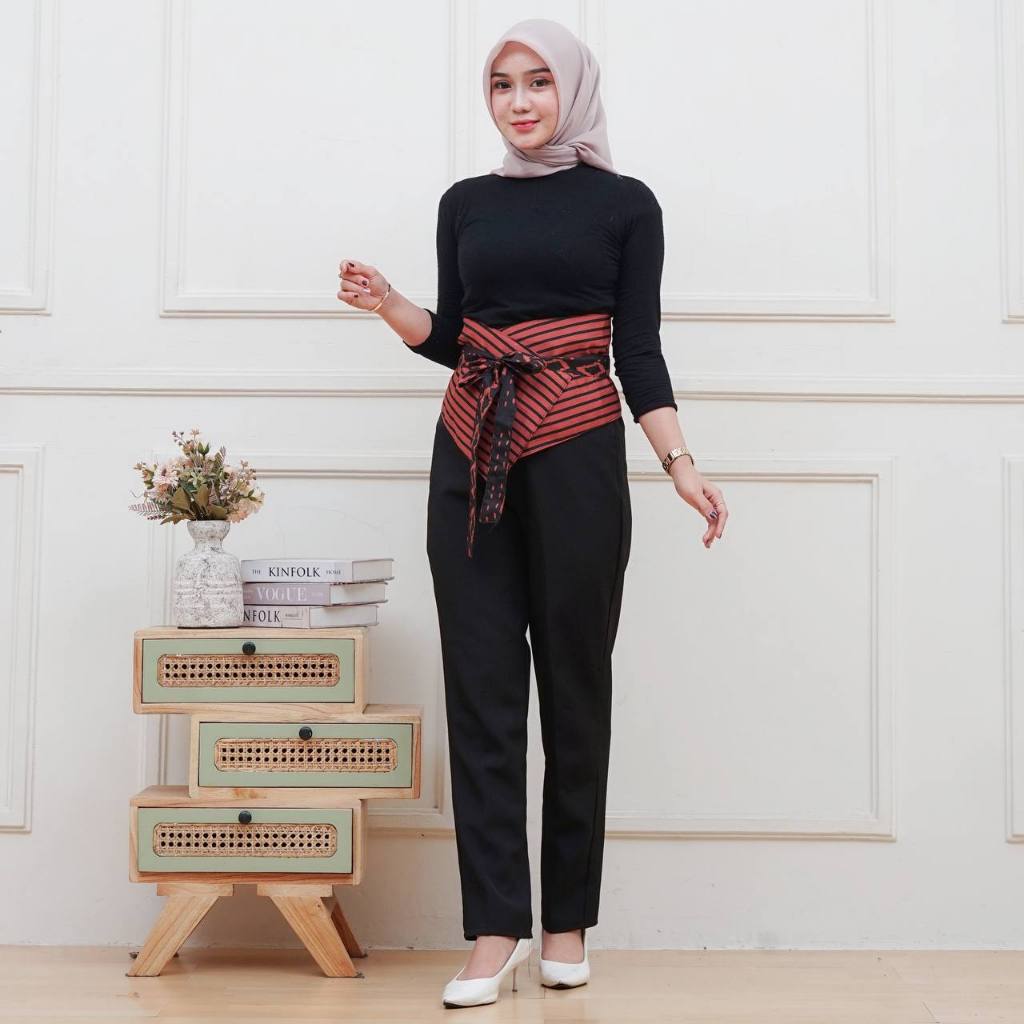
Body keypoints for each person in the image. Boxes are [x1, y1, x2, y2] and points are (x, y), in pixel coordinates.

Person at [338, 17, 728, 1008]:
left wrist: (679, 463)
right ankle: (495, 930)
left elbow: (637, 350)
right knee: (481, 692)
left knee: (574, 689)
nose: (518, 101)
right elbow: (456, 336)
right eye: (502, 84)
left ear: (574, 90)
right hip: (467, 448)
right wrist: (389, 304)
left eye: (538, 82)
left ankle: (565, 925)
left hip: (578, 453)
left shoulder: (625, 205)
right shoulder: (464, 203)